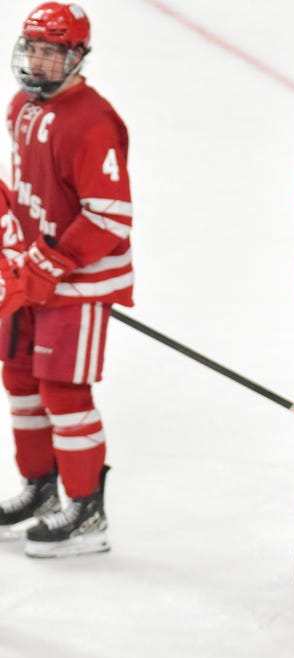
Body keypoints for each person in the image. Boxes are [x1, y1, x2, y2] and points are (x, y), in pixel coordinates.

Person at [0, 3, 132, 558]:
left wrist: (50, 264)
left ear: (78, 57)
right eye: (34, 48)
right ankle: (41, 486)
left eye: (53, 52)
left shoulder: (94, 121)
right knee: (21, 381)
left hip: (79, 281)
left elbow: (109, 217)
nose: (40, 60)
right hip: (31, 275)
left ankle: (86, 509)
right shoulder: (21, 107)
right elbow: (20, 187)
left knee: (64, 392)